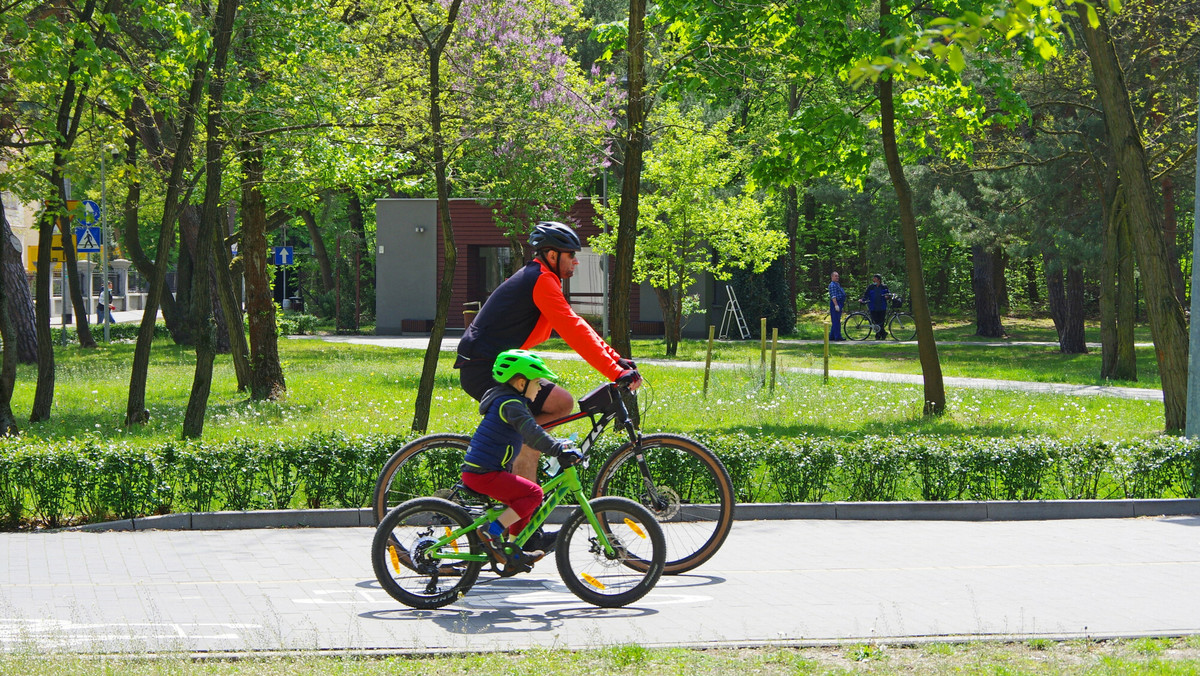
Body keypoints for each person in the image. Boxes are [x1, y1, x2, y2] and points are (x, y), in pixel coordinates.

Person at [455, 221, 640, 554]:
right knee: (557, 407)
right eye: (571, 255)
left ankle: (519, 505)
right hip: (486, 369)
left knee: (557, 406)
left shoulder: (543, 278)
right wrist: (615, 371)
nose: (576, 262)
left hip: (493, 366)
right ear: (552, 255)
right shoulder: (540, 280)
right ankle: (520, 527)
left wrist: (618, 362)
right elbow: (572, 329)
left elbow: (577, 325)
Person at [460, 350, 582, 573]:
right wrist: (557, 449)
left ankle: (512, 550)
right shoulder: (511, 405)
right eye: (537, 383)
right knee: (534, 494)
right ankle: (491, 531)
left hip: (484, 471)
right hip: (484, 474)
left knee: (524, 500)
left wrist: (557, 445)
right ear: (520, 383)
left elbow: (532, 432)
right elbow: (533, 433)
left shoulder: (508, 401)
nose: (541, 388)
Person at [859, 274, 890, 340]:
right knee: (875, 322)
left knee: (881, 321)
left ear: (879, 280)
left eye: (875, 279)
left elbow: (888, 294)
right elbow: (866, 295)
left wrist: (887, 297)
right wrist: (862, 300)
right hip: (873, 307)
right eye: (873, 279)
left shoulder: (884, 287)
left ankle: (879, 335)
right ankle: (882, 333)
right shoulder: (871, 287)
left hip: (882, 307)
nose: (873, 280)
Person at [828, 272, 846, 341]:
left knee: (836, 320)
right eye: (835, 276)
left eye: (838, 276)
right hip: (835, 303)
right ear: (832, 277)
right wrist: (836, 305)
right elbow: (833, 296)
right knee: (836, 321)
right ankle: (837, 337)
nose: (837, 277)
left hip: (840, 303)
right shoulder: (832, 285)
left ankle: (832, 336)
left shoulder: (837, 284)